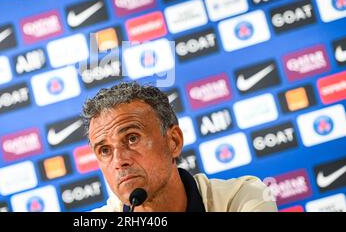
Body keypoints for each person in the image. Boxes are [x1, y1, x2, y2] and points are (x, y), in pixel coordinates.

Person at [81, 81, 277, 212]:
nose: (119, 161)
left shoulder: (241, 199)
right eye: (105, 150)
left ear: (173, 141)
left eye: (132, 138)